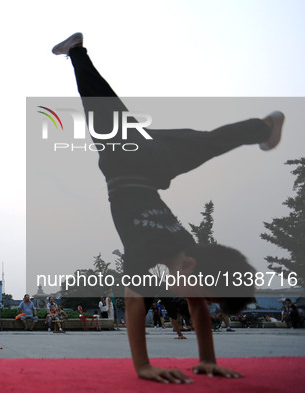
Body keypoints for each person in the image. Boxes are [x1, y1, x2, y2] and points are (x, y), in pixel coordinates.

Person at [52, 33, 284, 383]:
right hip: (127, 158)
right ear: (191, 266)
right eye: (199, 291)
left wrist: (208, 359)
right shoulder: (151, 250)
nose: (193, 299)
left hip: (160, 159)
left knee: (208, 142)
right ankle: (76, 51)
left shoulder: (190, 248)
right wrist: (143, 366)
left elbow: (198, 306)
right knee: (102, 105)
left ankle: (262, 128)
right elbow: (135, 303)